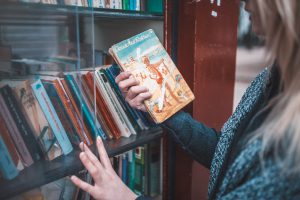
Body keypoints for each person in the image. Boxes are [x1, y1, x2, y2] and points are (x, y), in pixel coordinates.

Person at [71, 0, 300, 199]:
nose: (242, 2)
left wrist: (128, 198)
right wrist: (158, 105)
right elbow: (226, 155)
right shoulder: (272, 76)